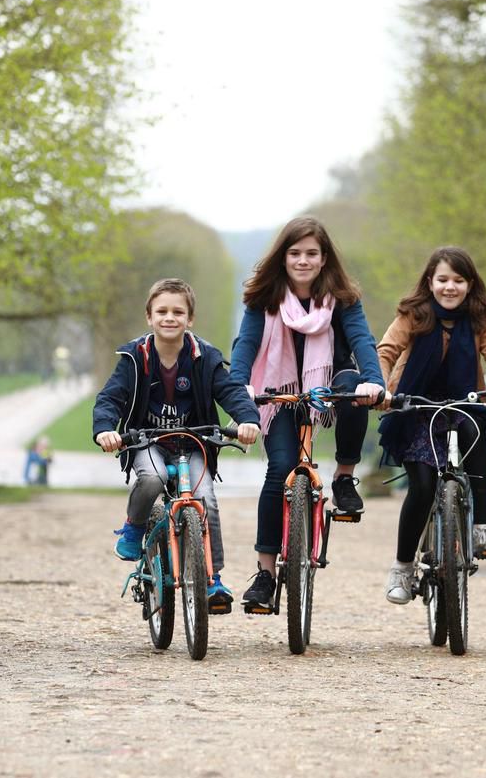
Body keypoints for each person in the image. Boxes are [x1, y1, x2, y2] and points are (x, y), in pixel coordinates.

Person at [228, 216, 385, 612]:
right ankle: (265, 574)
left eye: (311, 253)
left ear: (324, 257)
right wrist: (239, 387)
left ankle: (345, 478)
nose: (302, 261)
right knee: (279, 469)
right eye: (295, 253)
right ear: (282, 258)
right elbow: (245, 347)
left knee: (354, 391)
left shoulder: (342, 298)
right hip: (279, 392)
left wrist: (374, 380)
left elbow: (363, 341)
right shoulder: (262, 299)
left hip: (328, 386)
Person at [93, 278, 261, 609]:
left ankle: (212, 578)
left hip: (193, 442)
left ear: (190, 319)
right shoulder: (134, 357)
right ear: (149, 317)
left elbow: (229, 391)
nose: (170, 317)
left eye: (178, 312)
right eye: (162, 311)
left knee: (206, 500)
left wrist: (248, 419)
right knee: (153, 478)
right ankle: (134, 525)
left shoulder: (205, 357)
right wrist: (104, 430)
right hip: (147, 441)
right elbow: (111, 397)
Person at [376, 247, 486, 604]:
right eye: (443, 279)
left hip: (463, 403)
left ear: (470, 284)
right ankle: (401, 567)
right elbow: (385, 352)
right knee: (424, 485)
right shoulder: (413, 315)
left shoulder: (478, 319)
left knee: (477, 436)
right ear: (430, 282)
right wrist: (380, 386)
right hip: (415, 407)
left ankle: (481, 529)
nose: (450, 287)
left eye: (458, 280)